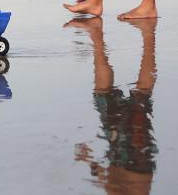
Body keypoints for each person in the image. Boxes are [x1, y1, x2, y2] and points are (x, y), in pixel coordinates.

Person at [66, 17, 158, 193]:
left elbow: (110, 183)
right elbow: (112, 185)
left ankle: (145, 37)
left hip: (134, 166)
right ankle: (144, 36)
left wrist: (91, 162)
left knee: (137, 96)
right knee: (120, 95)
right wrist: (91, 162)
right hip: (132, 166)